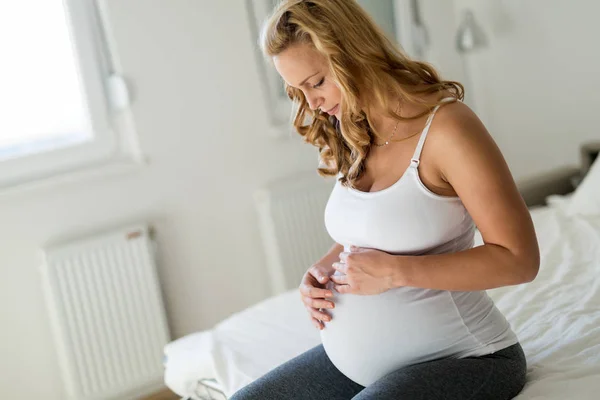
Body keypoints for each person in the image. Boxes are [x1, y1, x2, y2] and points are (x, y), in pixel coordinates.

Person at [231, 0, 539, 399]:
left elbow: (519, 259)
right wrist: (324, 270)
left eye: (317, 82)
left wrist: (396, 272)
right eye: (297, 91)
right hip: (358, 367)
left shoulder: (448, 130)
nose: (313, 105)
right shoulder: (353, 128)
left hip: (466, 358)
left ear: (352, 55)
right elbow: (377, 227)